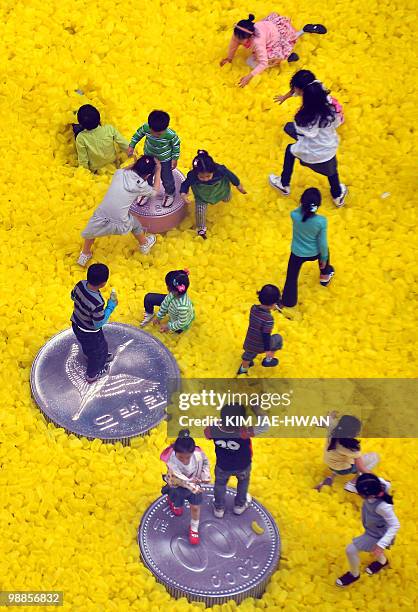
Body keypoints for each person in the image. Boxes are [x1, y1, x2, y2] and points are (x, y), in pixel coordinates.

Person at [269, 71, 347, 207]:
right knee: (332, 171)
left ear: (302, 91)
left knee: (290, 150)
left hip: (312, 152)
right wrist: (286, 96)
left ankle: (284, 183)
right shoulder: (329, 105)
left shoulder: (304, 117)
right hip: (329, 148)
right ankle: (337, 195)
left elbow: (306, 133)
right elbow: (338, 122)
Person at [77, 156, 158, 267]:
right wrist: (158, 170)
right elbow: (155, 192)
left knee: (91, 232)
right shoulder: (141, 185)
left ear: (134, 166)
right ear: (148, 176)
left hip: (101, 216)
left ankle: (85, 253)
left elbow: (126, 169)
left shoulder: (119, 173)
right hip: (120, 223)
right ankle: (144, 244)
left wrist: (135, 164)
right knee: (136, 225)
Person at [220, 14, 327, 87]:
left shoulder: (257, 41)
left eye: (240, 39)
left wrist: (249, 77)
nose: (237, 40)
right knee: (290, 37)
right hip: (269, 27)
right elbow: (233, 44)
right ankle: (303, 30)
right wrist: (229, 58)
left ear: (249, 37)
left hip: (275, 37)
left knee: (252, 62)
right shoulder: (239, 34)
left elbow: (263, 63)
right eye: (236, 37)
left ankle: (285, 57)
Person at [336, 473, 400, 587]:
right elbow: (385, 482)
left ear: (367, 496)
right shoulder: (378, 485)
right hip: (372, 529)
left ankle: (354, 575)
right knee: (374, 549)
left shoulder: (382, 507)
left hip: (378, 534)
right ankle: (382, 562)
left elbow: (395, 525)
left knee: (350, 550)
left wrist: (382, 544)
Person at [204, 403, 267, 518]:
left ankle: (219, 508)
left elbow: (206, 433)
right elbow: (264, 426)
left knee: (220, 485)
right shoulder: (244, 433)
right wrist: (257, 410)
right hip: (242, 466)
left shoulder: (213, 429)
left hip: (223, 466)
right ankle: (239, 505)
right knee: (243, 483)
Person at [281, 188, 334, 309]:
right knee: (326, 251)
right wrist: (324, 259)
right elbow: (322, 243)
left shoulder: (294, 215)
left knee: (291, 277)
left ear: (302, 202)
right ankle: (325, 275)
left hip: (297, 253)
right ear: (318, 205)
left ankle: (289, 301)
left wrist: (304, 205)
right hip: (315, 252)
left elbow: (300, 210)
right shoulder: (321, 221)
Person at [180, 150, 247, 239]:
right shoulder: (192, 176)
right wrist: (183, 194)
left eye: (208, 176)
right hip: (202, 196)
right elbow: (185, 184)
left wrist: (238, 185)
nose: (205, 179)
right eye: (202, 177)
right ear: (196, 173)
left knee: (227, 199)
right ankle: (201, 229)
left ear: (213, 171)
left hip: (220, 190)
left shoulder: (220, 170)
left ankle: (226, 195)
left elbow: (231, 175)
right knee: (200, 211)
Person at [160, 429, 211, 545]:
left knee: (196, 507)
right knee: (177, 502)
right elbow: (180, 478)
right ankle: (172, 501)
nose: (185, 460)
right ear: (175, 452)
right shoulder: (171, 461)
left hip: (194, 485)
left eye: (188, 457)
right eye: (181, 457)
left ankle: (194, 528)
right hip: (178, 486)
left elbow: (206, 462)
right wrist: (193, 486)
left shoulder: (198, 455)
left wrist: (205, 474)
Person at [70, 263, 118, 383]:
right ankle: (92, 374)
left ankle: (88, 355)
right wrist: (111, 306)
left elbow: (72, 296)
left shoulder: (80, 284)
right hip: (90, 332)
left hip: (76, 323)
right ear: (103, 283)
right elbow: (98, 323)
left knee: (88, 346)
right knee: (99, 350)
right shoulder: (98, 302)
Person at [127, 110, 180, 208]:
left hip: (164, 160)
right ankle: (146, 191)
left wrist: (174, 158)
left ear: (166, 128)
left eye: (159, 134)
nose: (156, 135)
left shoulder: (171, 135)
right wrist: (131, 146)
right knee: (146, 176)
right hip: (149, 157)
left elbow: (176, 146)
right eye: (153, 132)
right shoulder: (146, 128)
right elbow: (137, 135)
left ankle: (169, 193)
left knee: (167, 178)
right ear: (149, 126)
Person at [315, 413, 380, 493]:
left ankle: (331, 477)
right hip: (344, 470)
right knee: (374, 457)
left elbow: (321, 421)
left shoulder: (333, 429)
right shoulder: (351, 447)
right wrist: (378, 479)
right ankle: (353, 483)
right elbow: (361, 468)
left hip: (329, 463)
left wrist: (330, 416)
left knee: (341, 457)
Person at [237, 284, 283, 375]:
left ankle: (243, 369)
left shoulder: (253, 309)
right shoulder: (268, 319)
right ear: (274, 303)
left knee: (248, 355)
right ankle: (268, 360)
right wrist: (267, 350)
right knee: (278, 338)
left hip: (249, 342)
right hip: (261, 345)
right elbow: (266, 336)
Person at [273, 69, 345, 124]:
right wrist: (284, 97)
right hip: (330, 110)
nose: (294, 90)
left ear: (302, 91)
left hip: (329, 117)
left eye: (295, 88)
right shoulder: (314, 84)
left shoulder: (313, 102)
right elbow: (293, 91)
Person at [73, 104, 129, 172]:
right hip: (112, 161)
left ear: (81, 124)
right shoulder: (109, 129)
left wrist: (85, 172)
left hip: (95, 168)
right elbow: (124, 143)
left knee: (75, 129)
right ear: (99, 118)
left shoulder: (81, 138)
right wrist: (133, 153)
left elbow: (83, 160)